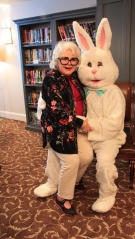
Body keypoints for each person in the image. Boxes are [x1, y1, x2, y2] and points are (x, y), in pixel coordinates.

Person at [34, 41, 93, 216]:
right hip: (58, 128)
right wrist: (80, 122)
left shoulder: (75, 77)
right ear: (57, 60)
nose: (69, 63)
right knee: (72, 161)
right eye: (64, 59)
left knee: (87, 156)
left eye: (73, 59)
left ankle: (72, 181)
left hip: (75, 125)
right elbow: (56, 111)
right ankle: (62, 197)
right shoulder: (50, 78)